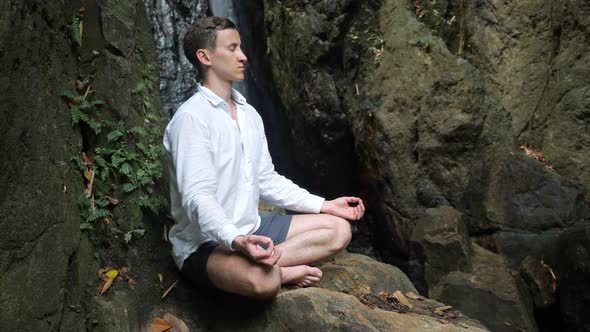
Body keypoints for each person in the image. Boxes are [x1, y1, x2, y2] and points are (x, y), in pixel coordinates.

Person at [163, 16, 365, 299]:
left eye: (241, 48)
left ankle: (269, 261)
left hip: (253, 226)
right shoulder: (191, 119)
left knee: (339, 229)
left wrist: (324, 205)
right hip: (205, 244)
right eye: (232, 48)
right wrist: (236, 239)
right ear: (205, 56)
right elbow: (197, 197)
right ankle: (277, 272)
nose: (243, 57)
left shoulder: (249, 114)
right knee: (264, 283)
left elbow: (266, 180)